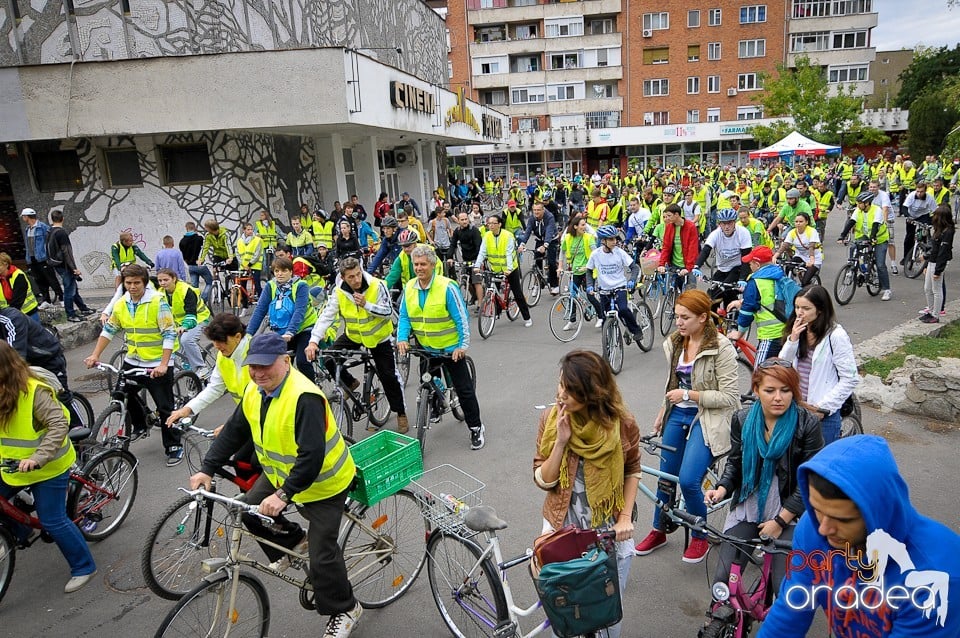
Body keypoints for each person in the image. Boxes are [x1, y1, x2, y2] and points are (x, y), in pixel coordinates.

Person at [189, 333, 362, 638]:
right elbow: (232, 432)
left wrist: (283, 495)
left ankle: (345, 608)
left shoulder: (304, 397)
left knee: (322, 557)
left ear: (285, 361)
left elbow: (310, 457)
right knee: (251, 513)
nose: (258, 373)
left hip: (324, 483)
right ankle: (297, 541)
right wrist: (206, 468)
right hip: (283, 473)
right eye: (253, 366)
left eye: (265, 366)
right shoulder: (255, 391)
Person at [757, 435, 960, 638]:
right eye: (817, 509)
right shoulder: (812, 528)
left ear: (878, 512)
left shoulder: (937, 577)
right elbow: (788, 615)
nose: (824, 529)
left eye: (842, 520)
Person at [534, 350, 641, 638]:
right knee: (566, 613)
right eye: (561, 385)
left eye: (572, 391)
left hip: (609, 533)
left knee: (606, 614)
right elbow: (543, 480)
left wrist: (625, 518)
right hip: (563, 532)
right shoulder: (551, 419)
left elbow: (632, 470)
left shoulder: (622, 424)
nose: (562, 395)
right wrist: (561, 442)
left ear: (593, 393)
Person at [703, 361, 824, 605]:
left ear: (794, 391)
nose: (778, 398)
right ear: (756, 390)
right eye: (770, 390)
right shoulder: (742, 418)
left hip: (790, 511)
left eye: (785, 390)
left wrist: (780, 521)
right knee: (722, 580)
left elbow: (810, 481)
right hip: (748, 506)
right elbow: (735, 463)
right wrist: (723, 488)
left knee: (784, 590)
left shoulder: (807, 423)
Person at [634, 289, 739, 562]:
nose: (678, 322)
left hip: (708, 418)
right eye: (676, 316)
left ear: (703, 318)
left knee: (689, 480)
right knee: (666, 478)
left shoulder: (721, 347)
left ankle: (700, 535)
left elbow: (730, 397)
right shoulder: (675, 343)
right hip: (676, 415)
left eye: (685, 317)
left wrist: (688, 396)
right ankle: (659, 529)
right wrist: (662, 410)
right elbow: (672, 385)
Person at [0, 343, 97, 594]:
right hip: (11, 464)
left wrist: (38, 457)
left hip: (48, 465)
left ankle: (83, 566)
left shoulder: (33, 391)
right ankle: (21, 531)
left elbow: (58, 425)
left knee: (52, 520)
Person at [83, 264, 182, 466]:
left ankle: (173, 445)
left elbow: (169, 334)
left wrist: (164, 364)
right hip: (133, 359)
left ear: (145, 283)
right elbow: (109, 330)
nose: (133, 286)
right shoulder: (121, 304)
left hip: (157, 361)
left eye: (137, 282)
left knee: (164, 407)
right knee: (120, 394)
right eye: (129, 283)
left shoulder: (157, 301)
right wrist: (94, 355)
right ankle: (140, 424)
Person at [397, 245, 485, 450]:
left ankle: (476, 427)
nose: (419, 268)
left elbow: (461, 318)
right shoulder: (409, 287)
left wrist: (462, 346)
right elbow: (404, 316)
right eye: (416, 264)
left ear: (433, 265)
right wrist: (402, 338)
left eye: (423, 264)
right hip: (426, 348)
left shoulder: (447, 287)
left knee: (464, 390)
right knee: (426, 382)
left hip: (450, 349)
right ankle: (435, 405)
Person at [305, 258, 408, 433]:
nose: (356, 279)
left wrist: (367, 305)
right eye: (351, 277)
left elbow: (389, 312)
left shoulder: (377, 285)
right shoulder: (339, 292)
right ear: (343, 278)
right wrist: (313, 341)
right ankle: (351, 382)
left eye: (358, 274)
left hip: (378, 338)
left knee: (388, 376)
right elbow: (326, 316)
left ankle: (400, 413)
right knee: (328, 358)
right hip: (354, 335)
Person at [778, 285, 858, 444]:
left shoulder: (836, 335)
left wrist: (823, 408)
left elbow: (850, 378)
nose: (799, 313)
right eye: (797, 307)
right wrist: (793, 340)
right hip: (795, 409)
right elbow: (782, 366)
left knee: (818, 464)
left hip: (822, 413)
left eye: (806, 308)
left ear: (820, 309)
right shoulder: (798, 330)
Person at [167, 312, 251, 426]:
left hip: (263, 418)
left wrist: (233, 426)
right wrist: (187, 409)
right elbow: (215, 388)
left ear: (237, 337)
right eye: (214, 341)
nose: (216, 346)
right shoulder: (224, 356)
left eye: (221, 341)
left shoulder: (255, 354)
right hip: (247, 415)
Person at [245, 257, 317, 382]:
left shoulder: (301, 286)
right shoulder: (271, 286)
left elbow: (299, 311)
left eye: (284, 271)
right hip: (281, 332)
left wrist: (290, 332)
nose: (280, 274)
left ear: (291, 272)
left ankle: (314, 392)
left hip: (304, 329)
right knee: (279, 366)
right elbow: (260, 310)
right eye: (277, 271)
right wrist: (248, 334)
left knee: (302, 361)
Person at [727, 246, 789, 365]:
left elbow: (746, 312)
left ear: (757, 264)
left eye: (750, 264)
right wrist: (741, 302)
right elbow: (769, 298)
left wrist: (739, 333)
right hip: (788, 331)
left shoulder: (755, 282)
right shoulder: (780, 275)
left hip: (771, 335)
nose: (749, 266)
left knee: (759, 378)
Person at [585, 225, 644, 345]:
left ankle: (636, 330)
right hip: (604, 290)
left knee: (622, 309)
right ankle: (606, 347)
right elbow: (589, 271)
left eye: (615, 238)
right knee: (604, 318)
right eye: (611, 239)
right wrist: (590, 285)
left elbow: (634, 267)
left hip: (620, 287)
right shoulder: (595, 254)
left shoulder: (619, 252)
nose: (614, 241)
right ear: (603, 241)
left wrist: (632, 280)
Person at [474, 214, 533, 327]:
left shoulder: (508, 236)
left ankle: (527, 317)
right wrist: (477, 266)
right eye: (489, 223)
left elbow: (509, 253)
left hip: (510, 268)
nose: (490, 225)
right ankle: (497, 311)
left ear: (499, 224)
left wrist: (509, 269)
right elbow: (482, 252)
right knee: (492, 289)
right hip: (495, 268)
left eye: (493, 223)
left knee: (517, 292)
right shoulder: (486, 236)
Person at [837, 191, 892, 301]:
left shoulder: (877, 210)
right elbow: (851, 222)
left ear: (867, 203)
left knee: (880, 264)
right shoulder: (858, 210)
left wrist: (872, 238)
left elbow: (876, 225)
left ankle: (887, 290)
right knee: (854, 247)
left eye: (860, 203)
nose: (858, 205)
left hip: (879, 238)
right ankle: (852, 267)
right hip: (865, 235)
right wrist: (842, 236)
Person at [693, 208, 752, 308]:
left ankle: (734, 320)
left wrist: (743, 278)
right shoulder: (716, 234)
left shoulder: (743, 233)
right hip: (722, 269)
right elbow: (706, 250)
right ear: (719, 224)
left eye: (729, 223)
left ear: (734, 222)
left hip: (738, 268)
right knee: (710, 298)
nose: (727, 227)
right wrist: (697, 266)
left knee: (726, 290)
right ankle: (718, 323)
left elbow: (746, 258)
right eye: (723, 224)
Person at [156, 268, 211, 374]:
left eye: (166, 280)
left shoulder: (186, 290)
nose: (162, 283)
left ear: (174, 279)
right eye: (160, 280)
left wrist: (185, 326)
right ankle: (185, 363)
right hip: (179, 322)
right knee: (169, 339)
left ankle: (201, 367)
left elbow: (191, 314)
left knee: (186, 340)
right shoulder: (160, 293)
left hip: (198, 318)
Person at [45, 210, 96, 323]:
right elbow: (67, 252)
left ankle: (83, 308)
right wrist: (74, 268)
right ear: (62, 218)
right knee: (69, 290)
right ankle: (71, 314)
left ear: (52, 219)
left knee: (73, 287)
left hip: (56, 264)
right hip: (65, 265)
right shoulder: (61, 233)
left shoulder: (49, 231)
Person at [559, 215, 603, 329]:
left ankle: (601, 316)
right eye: (582, 225)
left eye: (585, 225)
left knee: (590, 295)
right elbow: (562, 252)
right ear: (575, 227)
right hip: (575, 271)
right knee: (571, 295)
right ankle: (572, 320)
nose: (585, 227)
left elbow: (595, 253)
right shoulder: (568, 238)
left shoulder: (588, 237)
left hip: (588, 271)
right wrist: (559, 267)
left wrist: (589, 267)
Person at [21, 208, 63, 306]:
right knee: (39, 280)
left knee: (51, 279)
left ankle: (61, 297)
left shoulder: (43, 227)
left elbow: (50, 241)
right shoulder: (28, 229)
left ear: (27, 216)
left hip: (42, 258)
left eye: (24, 216)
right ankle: (46, 300)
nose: (23, 218)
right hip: (32, 259)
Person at [920, 204, 955, 324]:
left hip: (938, 263)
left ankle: (936, 314)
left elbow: (943, 252)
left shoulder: (947, 232)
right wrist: (926, 263)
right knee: (927, 288)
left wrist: (938, 270)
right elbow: (933, 249)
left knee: (936, 289)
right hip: (932, 261)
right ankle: (930, 311)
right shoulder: (938, 229)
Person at [518, 201, 561, 295]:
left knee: (551, 262)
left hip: (551, 240)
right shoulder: (532, 219)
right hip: (539, 239)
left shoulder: (549, 217)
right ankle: (537, 285)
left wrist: (545, 245)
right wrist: (522, 244)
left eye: (538, 210)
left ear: (543, 210)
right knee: (536, 262)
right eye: (534, 210)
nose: (536, 212)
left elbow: (549, 231)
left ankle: (554, 285)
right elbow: (528, 231)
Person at [657, 204, 700, 292]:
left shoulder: (690, 227)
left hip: (688, 265)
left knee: (690, 294)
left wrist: (688, 268)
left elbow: (693, 249)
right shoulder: (669, 227)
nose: (667, 218)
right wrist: (661, 264)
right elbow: (666, 247)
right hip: (674, 264)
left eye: (669, 216)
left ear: (677, 215)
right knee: (674, 290)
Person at [775, 211, 823, 286]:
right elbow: (785, 245)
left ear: (806, 222)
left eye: (801, 221)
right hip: (800, 255)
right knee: (788, 267)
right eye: (796, 221)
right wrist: (775, 256)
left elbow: (811, 247)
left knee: (805, 282)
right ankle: (792, 283)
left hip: (814, 257)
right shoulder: (792, 232)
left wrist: (812, 260)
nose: (798, 223)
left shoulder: (812, 231)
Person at [447, 212, 485, 304]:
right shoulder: (457, 231)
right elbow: (453, 244)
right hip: (465, 260)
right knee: (465, 280)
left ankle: (480, 304)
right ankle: (474, 296)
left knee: (476, 282)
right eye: (462, 220)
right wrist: (450, 257)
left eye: (466, 219)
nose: (464, 221)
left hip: (476, 259)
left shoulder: (474, 231)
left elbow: (479, 247)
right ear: (458, 221)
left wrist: (478, 262)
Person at [901, 181, 937, 269]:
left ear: (925, 191)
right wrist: (908, 216)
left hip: (923, 216)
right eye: (917, 191)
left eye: (921, 192)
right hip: (911, 215)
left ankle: (925, 254)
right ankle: (906, 257)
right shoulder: (911, 196)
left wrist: (934, 222)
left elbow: (935, 212)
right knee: (909, 237)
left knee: (925, 234)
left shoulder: (930, 198)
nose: (919, 193)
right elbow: (904, 208)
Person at [0, 252, 42, 323]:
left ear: (6, 264)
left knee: (32, 333)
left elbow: (18, 300)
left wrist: (8, 314)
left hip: (28, 312)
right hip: (10, 314)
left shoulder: (18, 276)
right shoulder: (1, 278)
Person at [180, 221, 211, 303]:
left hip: (191, 266)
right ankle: (203, 300)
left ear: (186, 228)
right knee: (209, 282)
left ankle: (195, 302)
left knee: (194, 286)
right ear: (195, 228)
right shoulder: (199, 238)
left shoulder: (182, 241)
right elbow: (204, 249)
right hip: (200, 265)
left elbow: (183, 256)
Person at [236, 223, 264, 299]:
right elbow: (238, 254)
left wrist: (249, 265)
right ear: (244, 230)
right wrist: (243, 264)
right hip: (243, 267)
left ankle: (262, 300)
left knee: (257, 284)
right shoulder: (239, 241)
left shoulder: (257, 240)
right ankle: (244, 303)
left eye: (251, 229)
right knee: (242, 286)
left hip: (255, 265)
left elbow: (257, 254)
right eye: (248, 229)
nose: (250, 231)